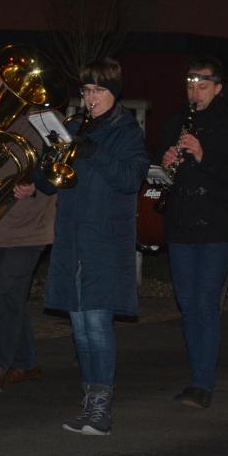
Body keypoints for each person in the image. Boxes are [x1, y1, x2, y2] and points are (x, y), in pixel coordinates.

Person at [37, 59, 149, 436]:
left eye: (98, 90)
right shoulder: (72, 126)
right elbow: (48, 183)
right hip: (72, 237)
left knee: (97, 326)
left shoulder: (127, 131)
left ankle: (101, 409)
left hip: (104, 238)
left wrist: (91, 152)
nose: (90, 97)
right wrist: (48, 155)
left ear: (113, 94)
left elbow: (130, 179)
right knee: (80, 326)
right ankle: (89, 403)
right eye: (85, 91)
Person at [159, 56, 228, 409]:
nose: (195, 92)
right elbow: (167, 175)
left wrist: (203, 156)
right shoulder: (176, 120)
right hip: (182, 222)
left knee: (205, 303)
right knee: (187, 304)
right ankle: (196, 373)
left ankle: (203, 382)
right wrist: (167, 164)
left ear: (218, 88)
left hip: (216, 223)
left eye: (203, 86)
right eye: (190, 85)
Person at [0, 69, 57, 392]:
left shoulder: (45, 119)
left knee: (7, 290)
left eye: (3, 88)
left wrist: (34, 185)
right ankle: (26, 362)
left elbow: (61, 166)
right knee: (5, 296)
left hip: (29, 225)